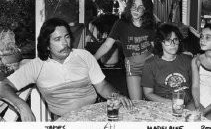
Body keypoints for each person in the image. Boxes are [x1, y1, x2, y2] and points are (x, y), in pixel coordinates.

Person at [0, 18, 133, 121]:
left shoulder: (84, 56)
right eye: (57, 39)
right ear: (46, 45)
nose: (65, 43)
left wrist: (116, 94)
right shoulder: (37, 65)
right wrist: (22, 106)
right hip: (64, 121)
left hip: (94, 115)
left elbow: (102, 86)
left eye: (67, 37)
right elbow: (3, 86)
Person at [95, 0, 155, 100]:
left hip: (150, 66)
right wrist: (93, 59)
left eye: (140, 7)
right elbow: (107, 45)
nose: (136, 10)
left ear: (146, 9)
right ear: (129, 6)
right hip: (133, 68)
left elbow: (155, 46)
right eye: (133, 6)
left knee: (150, 100)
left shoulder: (150, 24)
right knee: (136, 102)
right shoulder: (121, 24)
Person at [142, 23, 192, 106]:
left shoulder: (188, 60)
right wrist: (169, 103)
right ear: (160, 42)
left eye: (175, 40)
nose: (173, 44)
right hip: (164, 105)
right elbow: (148, 93)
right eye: (168, 40)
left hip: (188, 104)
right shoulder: (150, 64)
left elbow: (195, 87)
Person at [191, 23, 211, 119]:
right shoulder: (196, 60)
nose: (202, 40)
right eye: (202, 37)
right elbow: (195, 86)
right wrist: (198, 106)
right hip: (199, 100)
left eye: (208, 37)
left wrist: (206, 110)